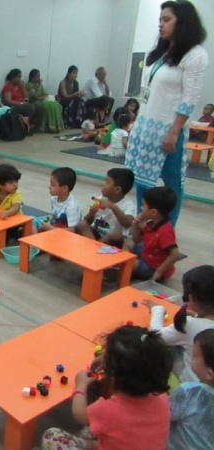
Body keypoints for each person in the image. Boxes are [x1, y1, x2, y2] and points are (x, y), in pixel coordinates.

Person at [125, 1, 208, 227]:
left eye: (167, 19)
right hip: (146, 127)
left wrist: (173, 132)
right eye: (160, 19)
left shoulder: (195, 55)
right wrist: (137, 124)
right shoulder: (162, 52)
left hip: (169, 130)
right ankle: (142, 229)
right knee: (142, 181)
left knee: (172, 185)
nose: (160, 24)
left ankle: (165, 233)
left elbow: (190, 98)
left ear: (183, 23)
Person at [41, 325, 172, 450]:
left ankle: (93, 444)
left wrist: (80, 386)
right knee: (103, 429)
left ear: (114, 374)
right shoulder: (162, 397)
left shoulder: (108, 410)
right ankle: (94, 444)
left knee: (51, 436)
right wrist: (109, 360)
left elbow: (79, 414)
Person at [143, 265, 214, 384]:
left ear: (190, 298)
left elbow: (156, 335)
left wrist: (157, 309)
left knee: (154, 347)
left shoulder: (190, 325)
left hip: (191, 382)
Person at [167, 328, 214, 450]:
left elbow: (162, 416)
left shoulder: (190, 392)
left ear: (210, 373)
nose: (191, 358)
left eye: (194, 356)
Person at [124, 186, 181, 281]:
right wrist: (135, 224)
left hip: (153, 268)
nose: (141, 208)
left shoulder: (165, 231)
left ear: (154, 212)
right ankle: (128, 269)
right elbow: (136, 239)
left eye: (143, 205)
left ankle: (127, 271)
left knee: (128, 262)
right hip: (147, 254)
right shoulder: (152, 222)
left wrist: (159, 271)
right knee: (128, 243)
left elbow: (175, 254)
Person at [77, 168, 135, 246]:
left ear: (117, 189)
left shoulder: (128, 205)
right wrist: (91, 213)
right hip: (96, 234)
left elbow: (127, 223)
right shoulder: (100, 199)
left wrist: (112, 206)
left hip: (112, 240)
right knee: (82, 224)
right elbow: (88, 221)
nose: (102, 184)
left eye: (107, 182)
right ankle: (94, 245)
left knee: (116, 236)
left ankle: (94, 246)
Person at [34, 167, 81, 233]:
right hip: (54, 228)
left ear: (64, 188)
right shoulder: (54, 199)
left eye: (53, 185)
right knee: (33, 221)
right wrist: (47, 221)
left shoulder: (72, 207)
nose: (49, 187)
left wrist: (50, 228)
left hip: (65, 236)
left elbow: (72, 231)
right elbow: (53, 216)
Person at [1, 68, 44, 135]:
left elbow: (27, 97)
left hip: (23, 104)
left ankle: (33, 126)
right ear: (13, 78)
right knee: (30, 107)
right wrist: (21, 103)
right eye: (18, 77)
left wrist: (23, 87)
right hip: (13, 106)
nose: (20, 79)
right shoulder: (8, 87)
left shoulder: (20, 86)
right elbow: (8, 101)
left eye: (20, 77)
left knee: (39, 106)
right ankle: (25, 126)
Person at [26, 69, 64, 133]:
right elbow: (35, 95)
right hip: (34, 101)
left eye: (39, 76)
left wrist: (42, 96)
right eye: (37, 76)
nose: (39, 78)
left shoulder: (39, 85)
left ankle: (56, 127)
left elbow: (45, 94)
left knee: (55, 104)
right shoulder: (29, 85)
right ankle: (48, 127)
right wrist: (38, 86)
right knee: (49, 105)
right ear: (33, 77)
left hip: (42, 99)